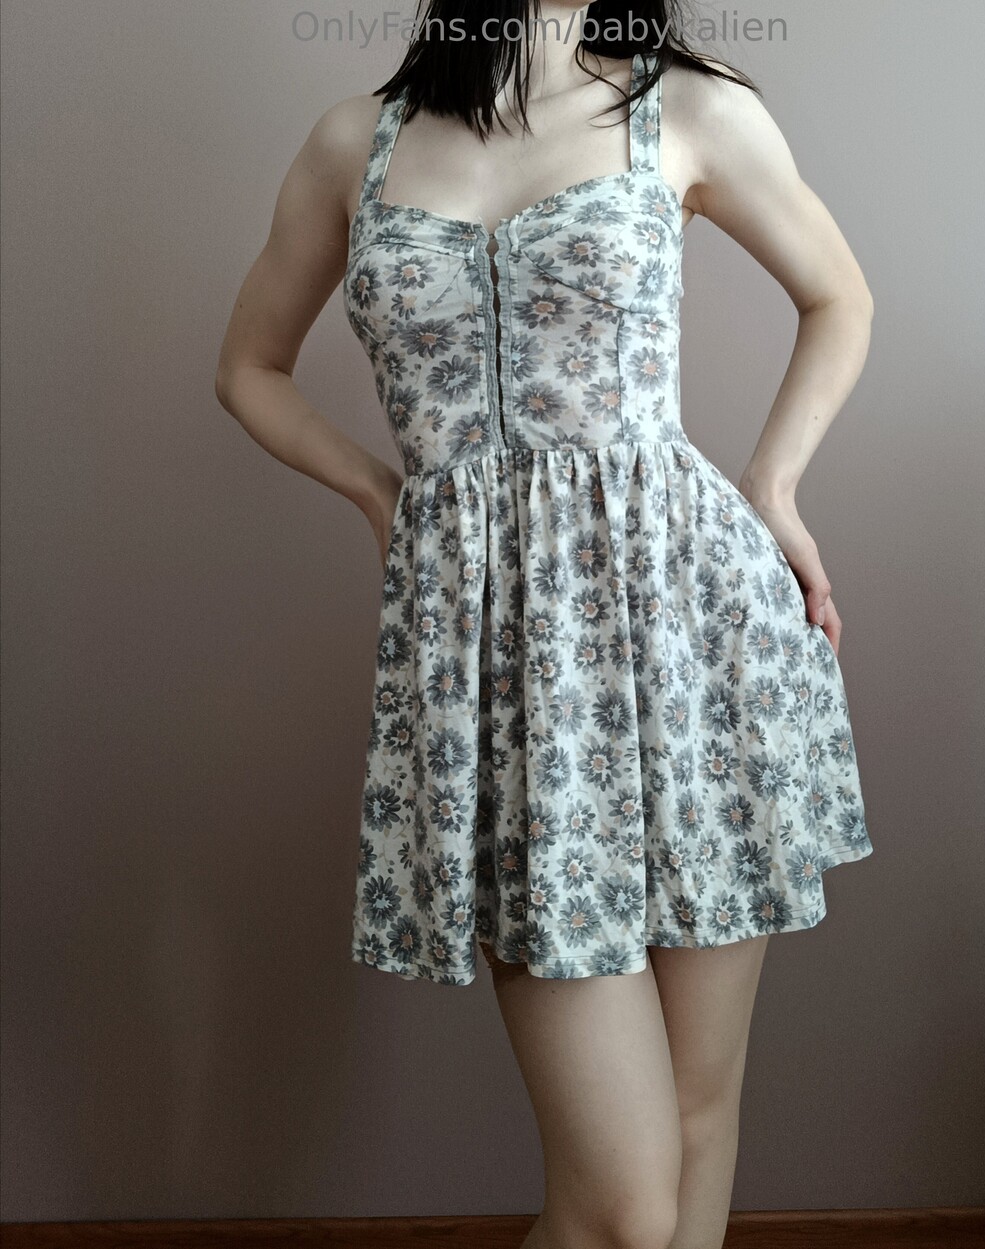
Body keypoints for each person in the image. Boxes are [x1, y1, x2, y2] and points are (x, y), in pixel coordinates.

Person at [215, 4, 875, 1246]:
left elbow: (840, 295)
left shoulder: (689, 107)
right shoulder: (353, 143)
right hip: (504, 685)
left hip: (700, 644)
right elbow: (248, 364)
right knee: (620, 1207)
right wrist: (383, 495)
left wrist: (774, 486)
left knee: (697, 1118)